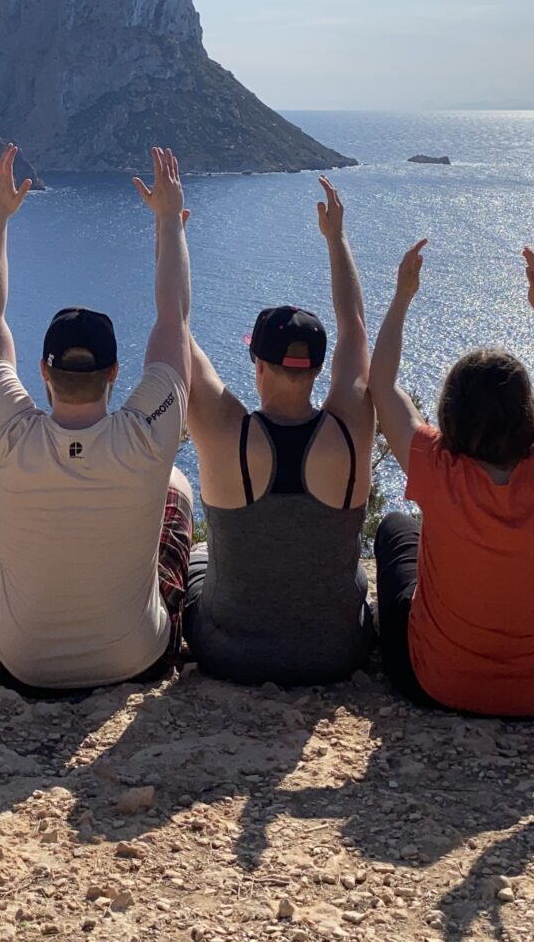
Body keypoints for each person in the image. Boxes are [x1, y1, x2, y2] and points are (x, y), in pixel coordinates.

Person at [0, 144, 194, 695]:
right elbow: (174, 318)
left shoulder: (6, 432)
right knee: (179, 488)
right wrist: (168, 222)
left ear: (43, 371)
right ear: (115, 371)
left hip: (21, 666)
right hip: (139, 659)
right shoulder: (146, 434)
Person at [369, 238, 534, 715]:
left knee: (395, 528)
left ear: (451, 414)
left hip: (437, 684)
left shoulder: (437, 467)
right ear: (526, 415)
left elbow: (381, 385)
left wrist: (402, 298)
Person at [182, 177, 374, 686]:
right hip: (336, 655)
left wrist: (169, 233)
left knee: (197, 560)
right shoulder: (350, 428)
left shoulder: (226, 435)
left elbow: (175, 328)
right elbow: (353, 323)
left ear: (259, 365)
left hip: (229, 656)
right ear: (319, 370)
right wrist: (336, 239)